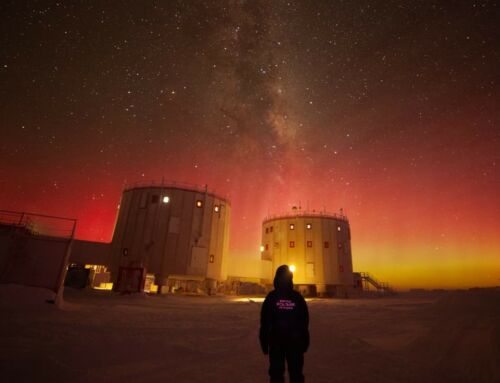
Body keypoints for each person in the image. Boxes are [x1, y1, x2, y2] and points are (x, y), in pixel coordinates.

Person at [259, 265, 309, 383]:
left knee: (276, 374)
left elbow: (265, 321)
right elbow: (304, 321)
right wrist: (305, 341)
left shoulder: (271, 297)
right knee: (296, 373)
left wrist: (264, 342)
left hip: (276, 342)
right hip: (295, 342)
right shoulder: (297, 298)